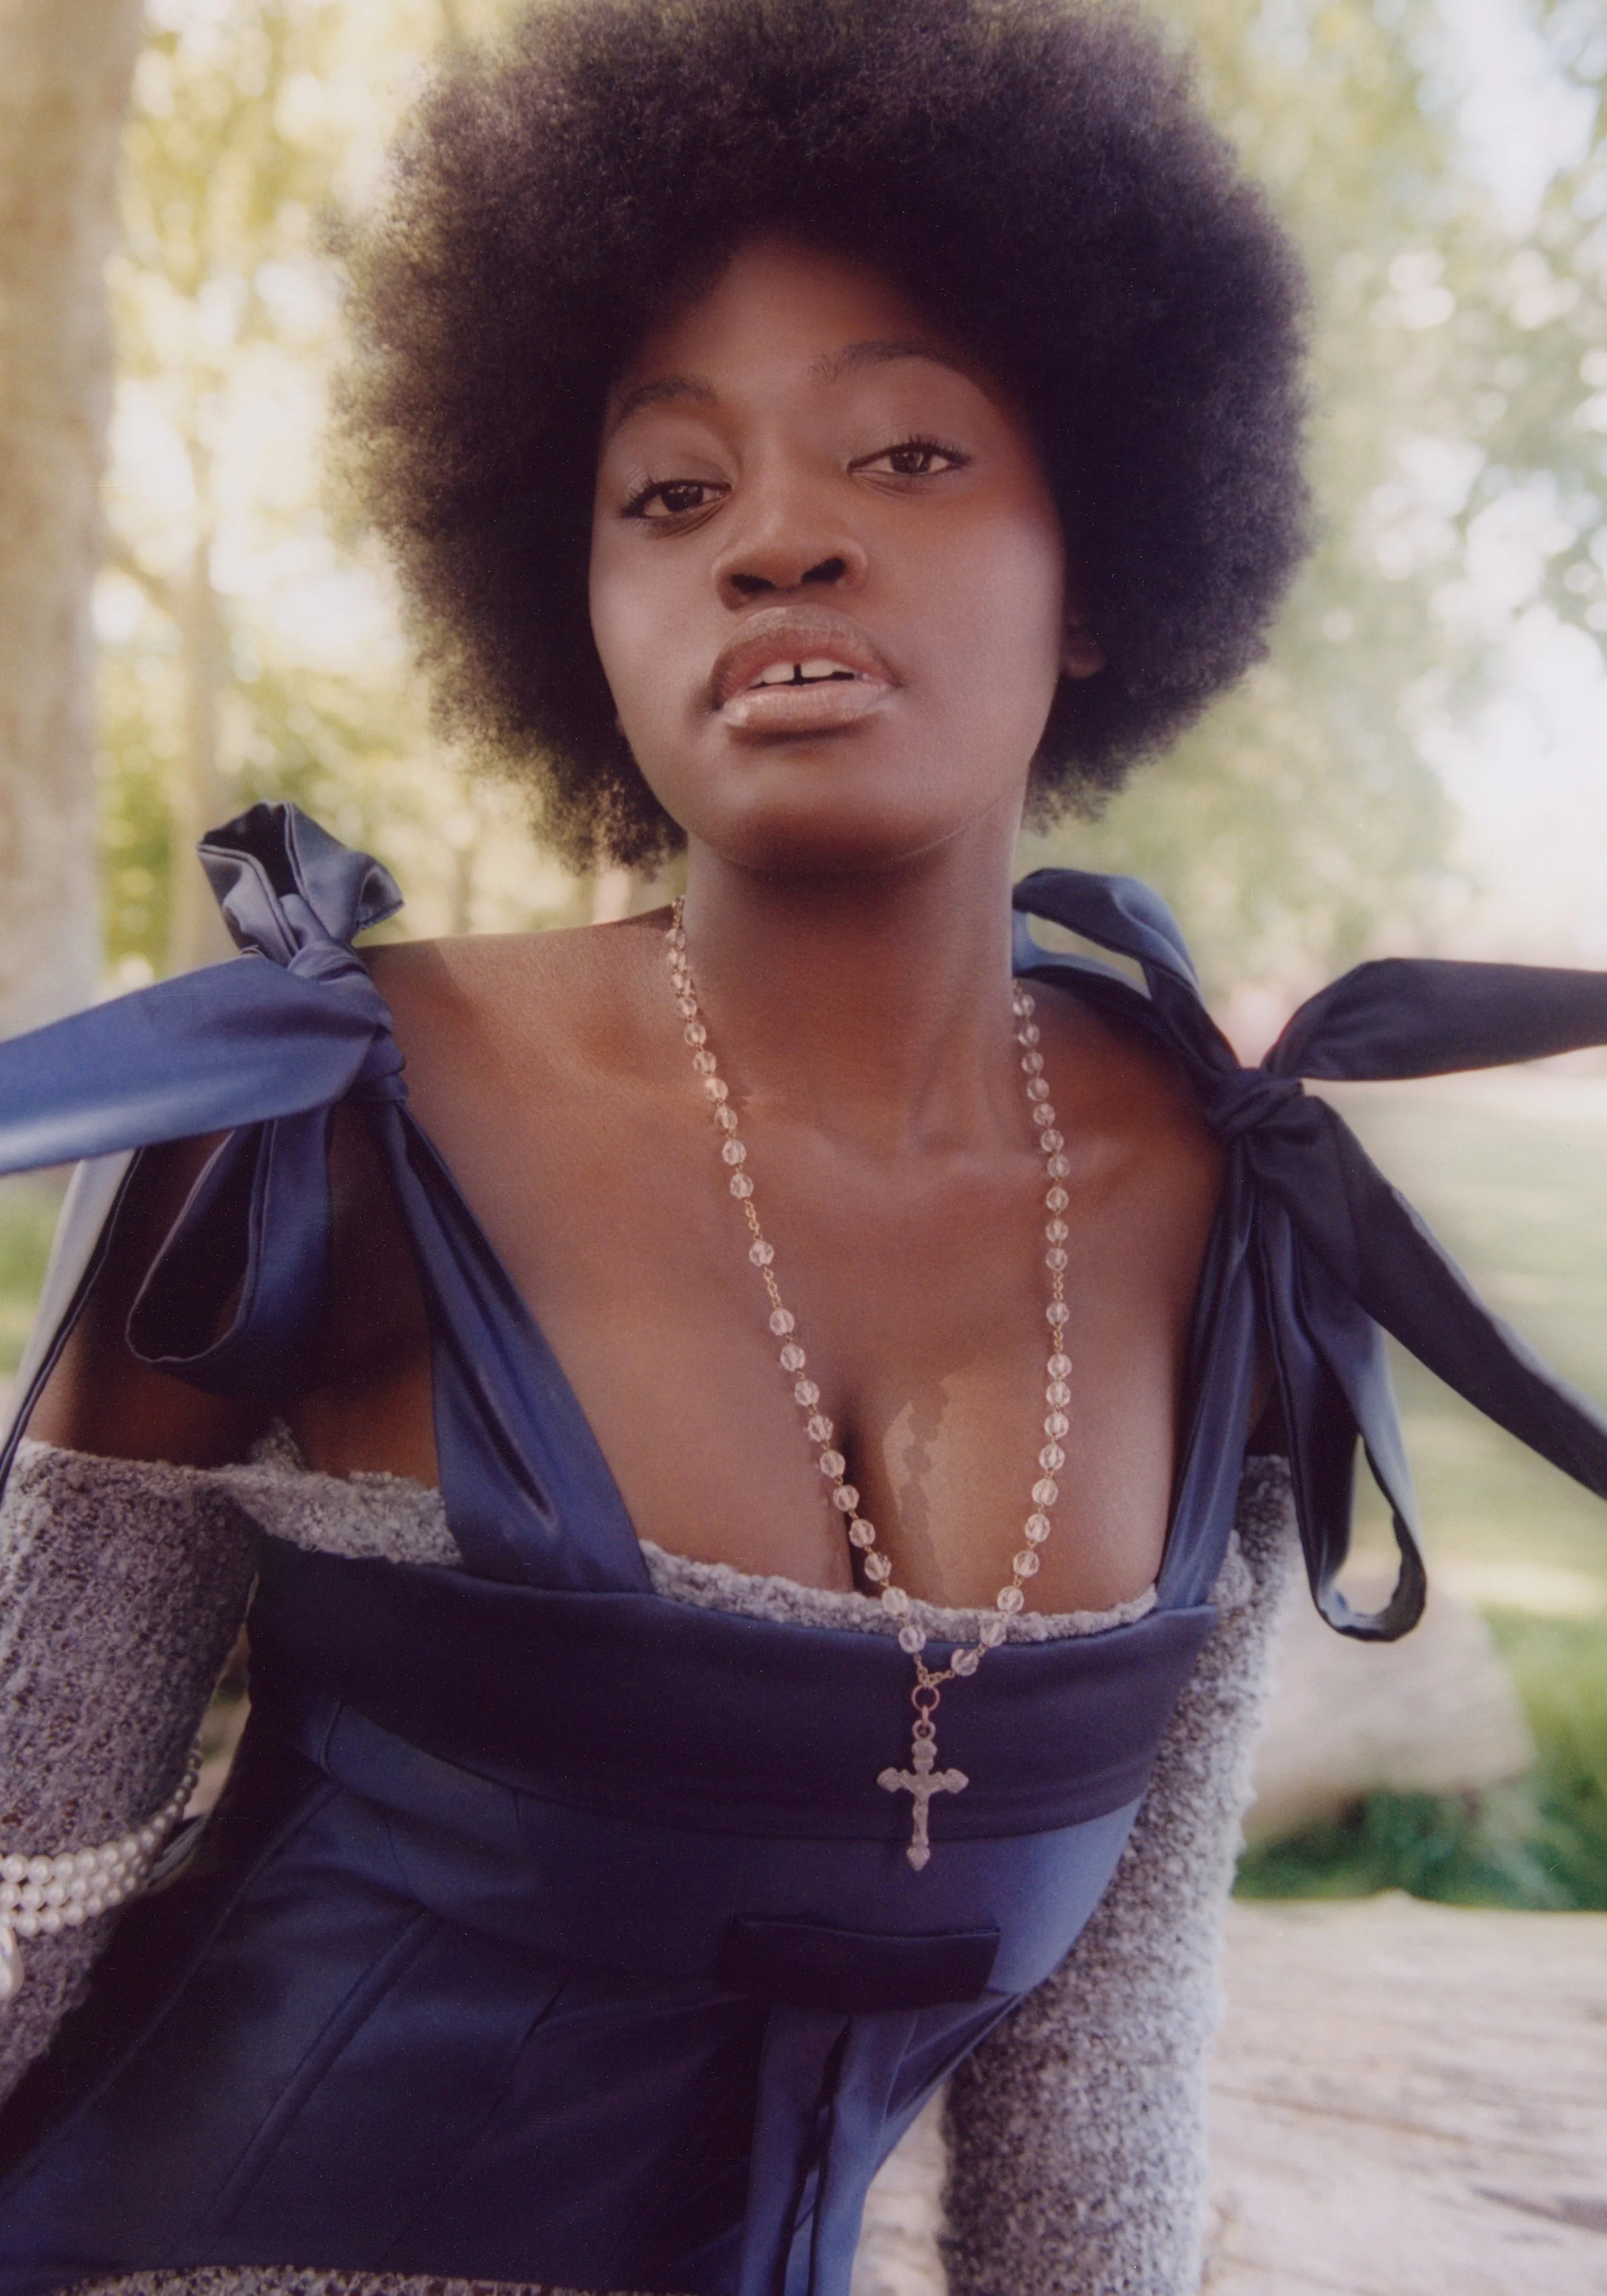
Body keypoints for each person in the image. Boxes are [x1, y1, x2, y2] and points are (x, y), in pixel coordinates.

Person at [0, 2, 1604, 2293]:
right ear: (573, 602)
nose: (775, 543)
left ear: (1114, 562)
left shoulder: (1233, 1213)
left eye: (908, 458)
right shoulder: (318, 1117)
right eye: (673, 492)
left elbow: (1099, 2101)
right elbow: (16, 1877)